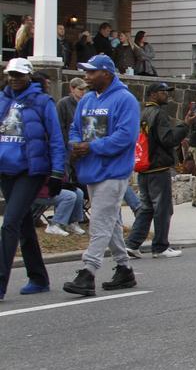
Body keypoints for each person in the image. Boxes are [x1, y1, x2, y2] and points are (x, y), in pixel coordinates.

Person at [63, 54, 141, 297]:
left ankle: (88, 271)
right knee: (110, 222)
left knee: (99, 220)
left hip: (113, 171)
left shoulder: (125, 100)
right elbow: (75, 127)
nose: (87, 77)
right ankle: (124, 268)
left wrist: (91, 147)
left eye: (91, 72)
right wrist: (75, 144)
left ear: (106, 73)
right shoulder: (86, 99)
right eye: (86, 72)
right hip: (90, 169)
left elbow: (125, 137)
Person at [0, 59, 66, 301]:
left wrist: (58, 171)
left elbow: (56, 138)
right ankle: (38, 278)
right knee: (23, 223)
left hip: (31, 170)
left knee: (9, 223)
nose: (15, 78)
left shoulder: (42, 101)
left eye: (19, 75)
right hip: (5, 170)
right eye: (11, 75)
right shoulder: (2, 99)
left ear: (29, 76)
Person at [125, 82, 195, 259]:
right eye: (164, 92)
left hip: (144, 167)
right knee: (163, 208)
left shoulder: (143, 113)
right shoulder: (159, 114)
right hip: (159, 167)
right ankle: (160, 246)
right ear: (153, 94)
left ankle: (133, 243)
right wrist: (184, 125)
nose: (167, 95)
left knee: (147, 207)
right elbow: (168, 139)